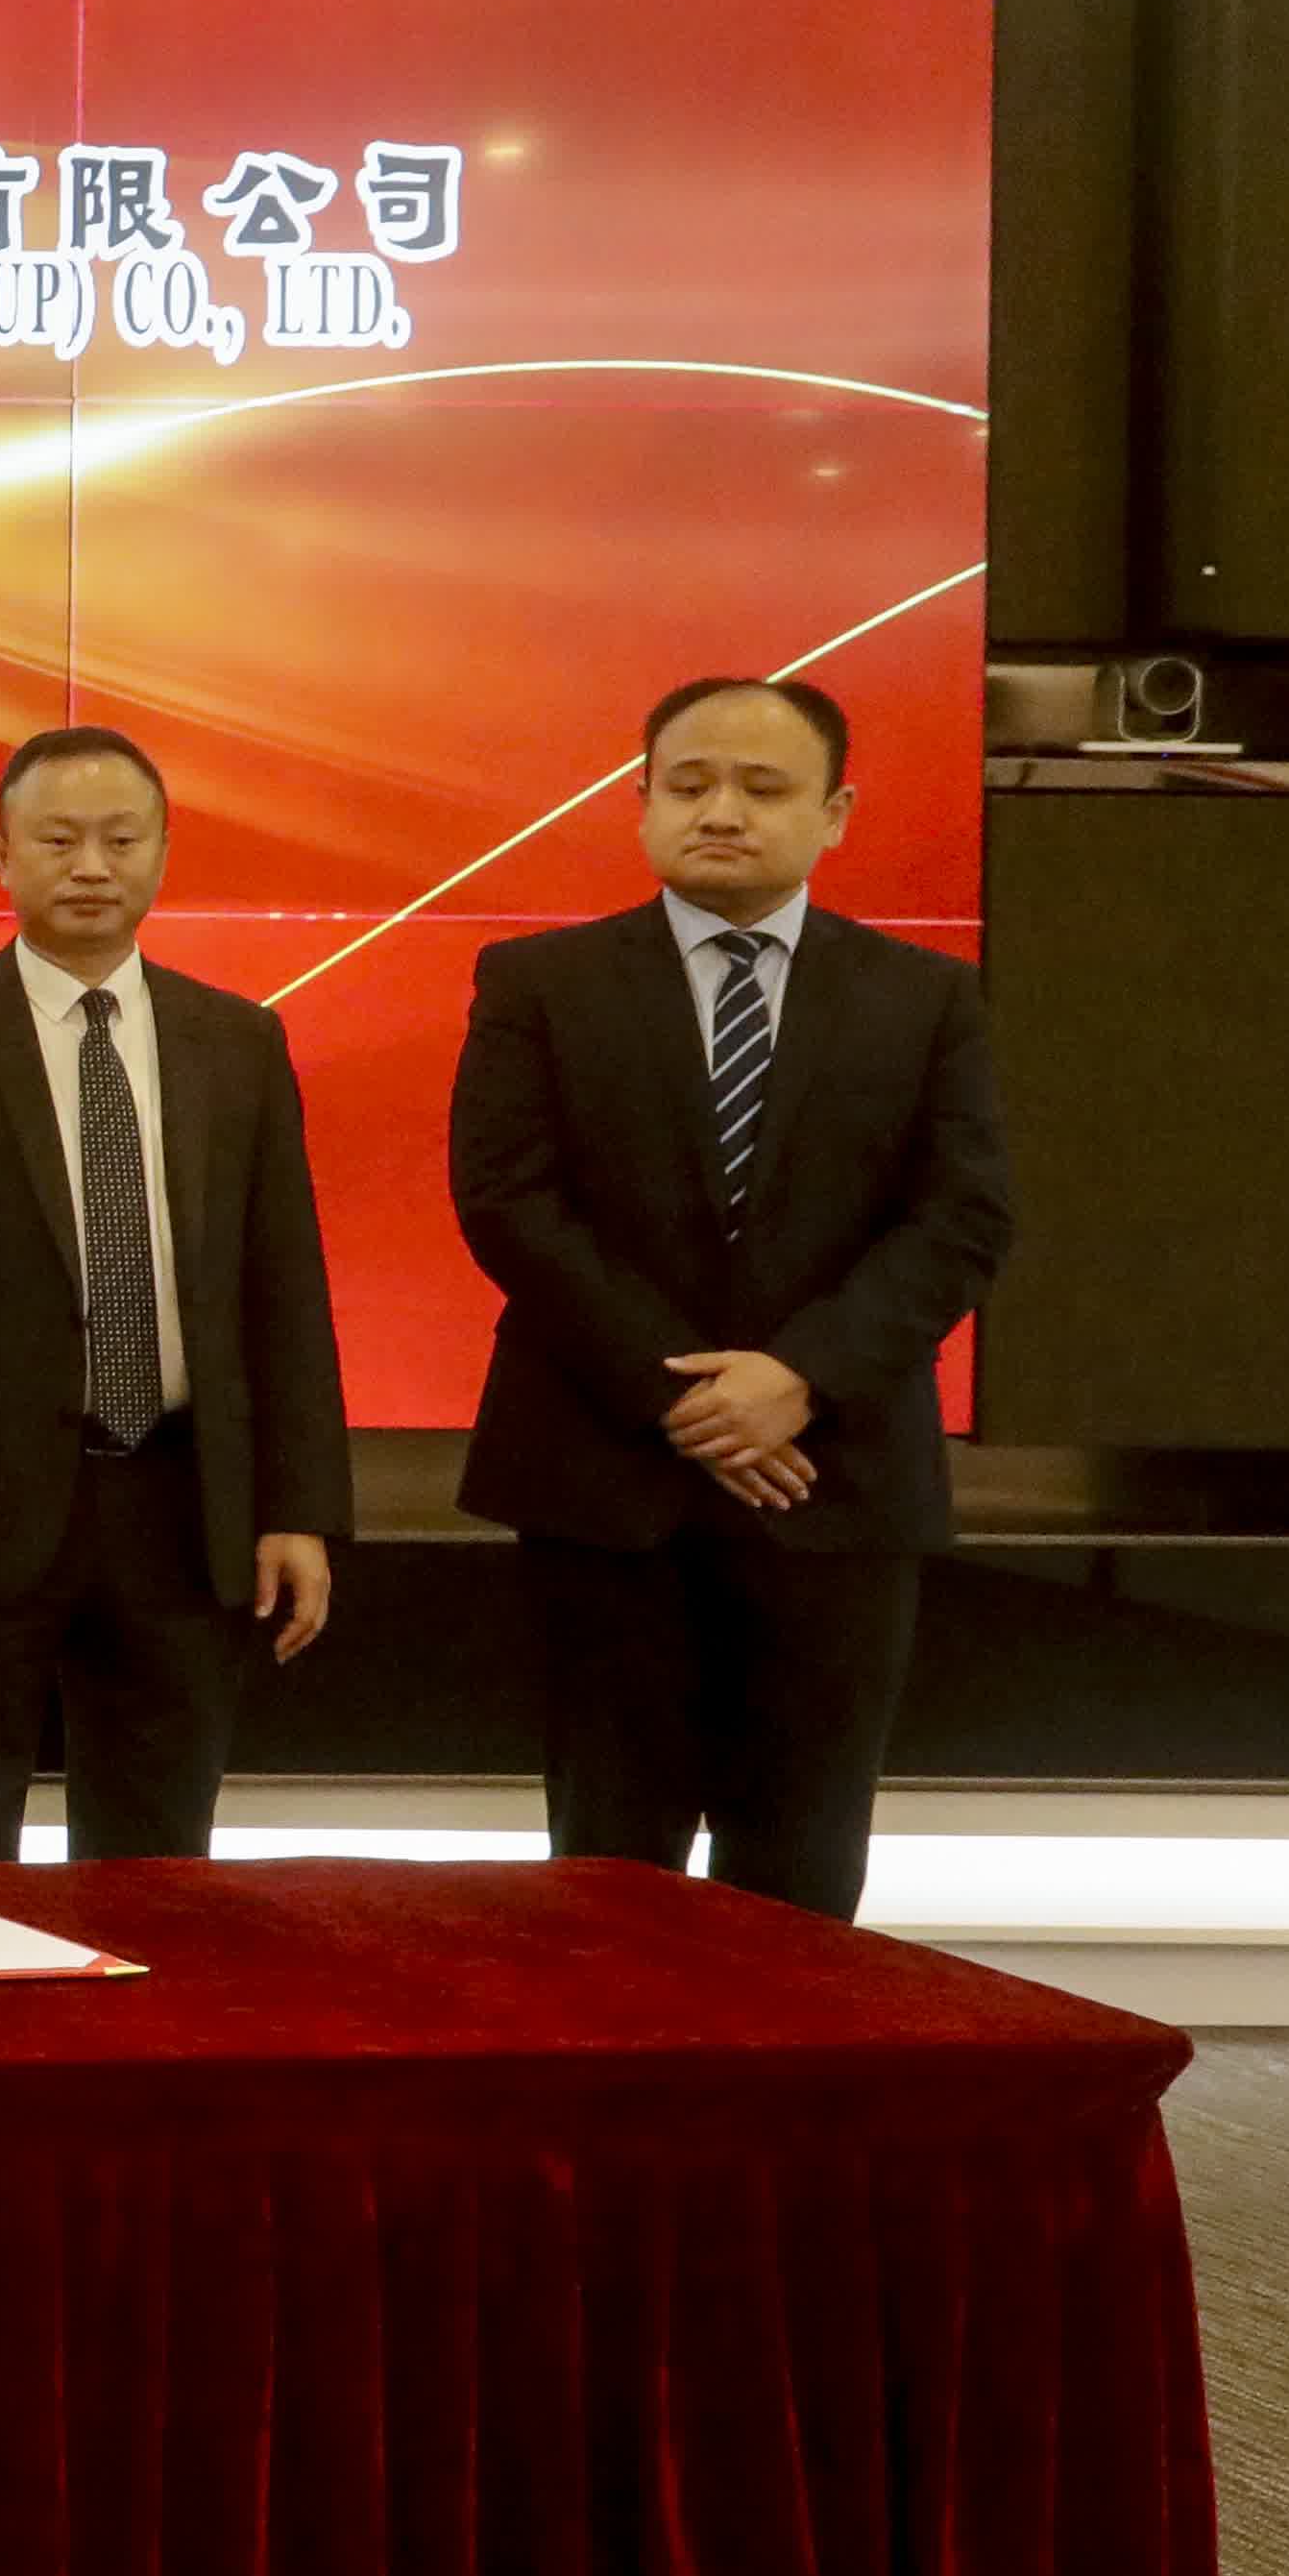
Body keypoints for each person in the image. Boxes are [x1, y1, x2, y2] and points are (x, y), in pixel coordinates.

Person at [450, 672, 1012, 1920]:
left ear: (835, 813)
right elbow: (508, 1204)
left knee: (805, 1867)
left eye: (763, 787)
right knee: (608, 1870)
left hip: (835, 1484)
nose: (721, 812)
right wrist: (690, 1400)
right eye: (690, 784)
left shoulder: (924, 997)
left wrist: (799, 1377)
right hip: (605, 1485)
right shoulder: (539, 981)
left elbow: (962, 1218)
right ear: (642, 800)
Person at [0, 724, 352, 1862]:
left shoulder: (239, 1041)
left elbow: (284, 1287)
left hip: (182, 1505)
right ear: (1, 854)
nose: (91, 866)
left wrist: (299, 1507)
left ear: (162, 852)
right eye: (58, 839)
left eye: (121, 839)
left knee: (159, 1862)